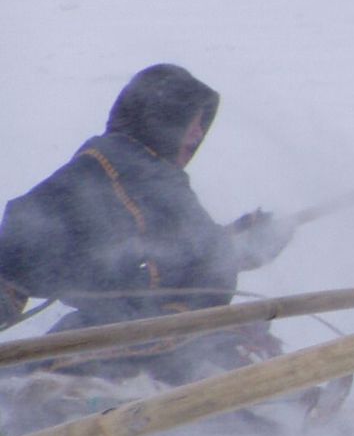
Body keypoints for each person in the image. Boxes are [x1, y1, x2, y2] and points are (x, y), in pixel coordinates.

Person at [0, 64, 294, 386]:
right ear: (162, 123)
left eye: (200, 125)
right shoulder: (139, 170)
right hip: (111, 337)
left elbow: (177, 255)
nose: (197, 135)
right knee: (221, 335)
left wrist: (236, 241)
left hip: (98, 329)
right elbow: (204, 257)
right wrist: (245, 244)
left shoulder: (113, 161)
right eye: (191, 123)